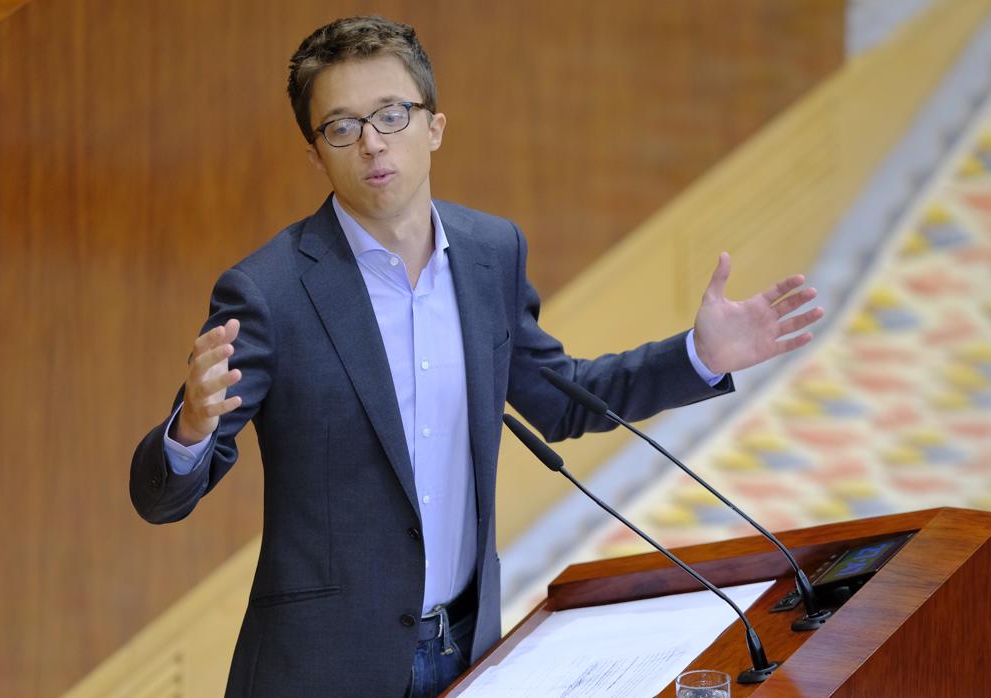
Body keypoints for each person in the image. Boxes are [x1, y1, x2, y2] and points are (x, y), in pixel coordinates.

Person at [129, 15, 823, 698]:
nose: (372, 144)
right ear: (316, 153)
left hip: (467, 650)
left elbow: (562, 399)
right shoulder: (268, 292)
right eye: (342, 126)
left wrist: (697, 355)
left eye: (392, 115)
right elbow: (159, 499)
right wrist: (191, 429)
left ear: (434, 127)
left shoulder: (489, 254)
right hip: (323, 668)